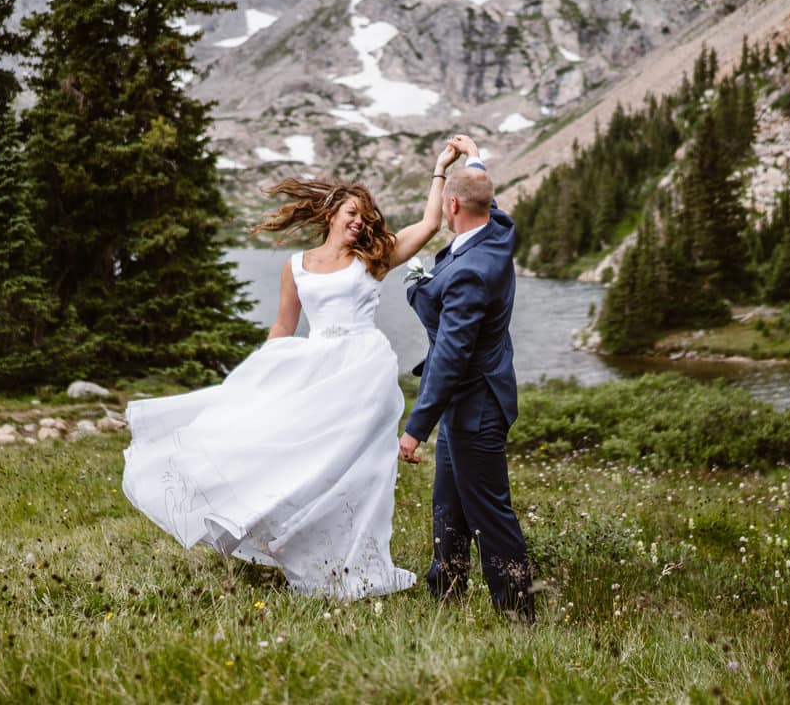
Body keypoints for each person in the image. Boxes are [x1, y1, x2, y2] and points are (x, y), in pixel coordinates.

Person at [121, 142, 464, 599]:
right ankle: (299, 546)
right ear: (331, 215)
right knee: (303, 460)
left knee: (363, 473)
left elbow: (429, 224)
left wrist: (440, 169)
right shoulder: (296, 267)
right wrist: (256, 382)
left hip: (366, 375)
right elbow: (283, 327)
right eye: (351, 213)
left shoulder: (373, 259)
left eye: (365, 215)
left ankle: (355, 563)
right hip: (319, 369)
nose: (360, 221)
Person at [398, 134, 534, 620]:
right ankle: (446, 598)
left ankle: (518, 613)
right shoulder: (498, 232)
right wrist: (473, 156)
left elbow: (451, 358)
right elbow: (486, 198)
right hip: (469, 406)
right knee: (448, 508)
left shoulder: (472, 270)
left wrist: (415, 430)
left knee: (490, 514)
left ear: (451, 205)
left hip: (475, 407)